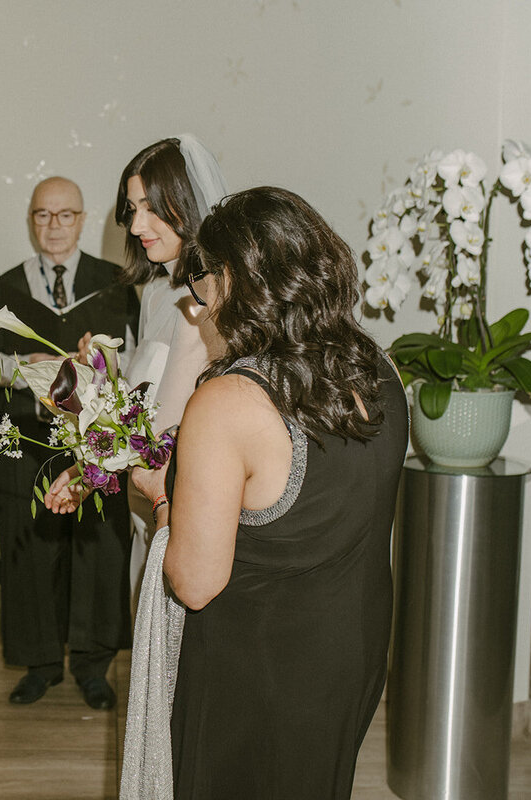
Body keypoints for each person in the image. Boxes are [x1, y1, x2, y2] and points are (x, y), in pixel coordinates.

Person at [122, 187, 409, 799]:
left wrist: (163, 496)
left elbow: (194, 583)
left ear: (234, 282)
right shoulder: (377, 368)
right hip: (349, 656)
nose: (198, 312)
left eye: (201, 292)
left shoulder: (228, 401)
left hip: (257, 672)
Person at [0, 177, 139, 709]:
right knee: (29, 555)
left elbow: (139, 367)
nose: (53, 226)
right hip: (27, 445)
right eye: (42, 215)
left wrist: (99, 366)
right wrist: (21, 368)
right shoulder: (3, 290)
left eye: (64, 215)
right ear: (30, 219)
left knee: (98, 551)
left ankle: (92, 665)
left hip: (94, 450)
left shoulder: (114, 286)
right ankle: (39, 664)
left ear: (82, 220)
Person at [49, 136, 229, 603]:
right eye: (132, 210)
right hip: (141, 502)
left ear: (186, 202)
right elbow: (142, 407)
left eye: (151, 208)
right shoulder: (154, 291)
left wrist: (89, 474)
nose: (136, 226)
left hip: (183, 501)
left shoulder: (211, 301)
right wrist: (104, 374)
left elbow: (169, 425)